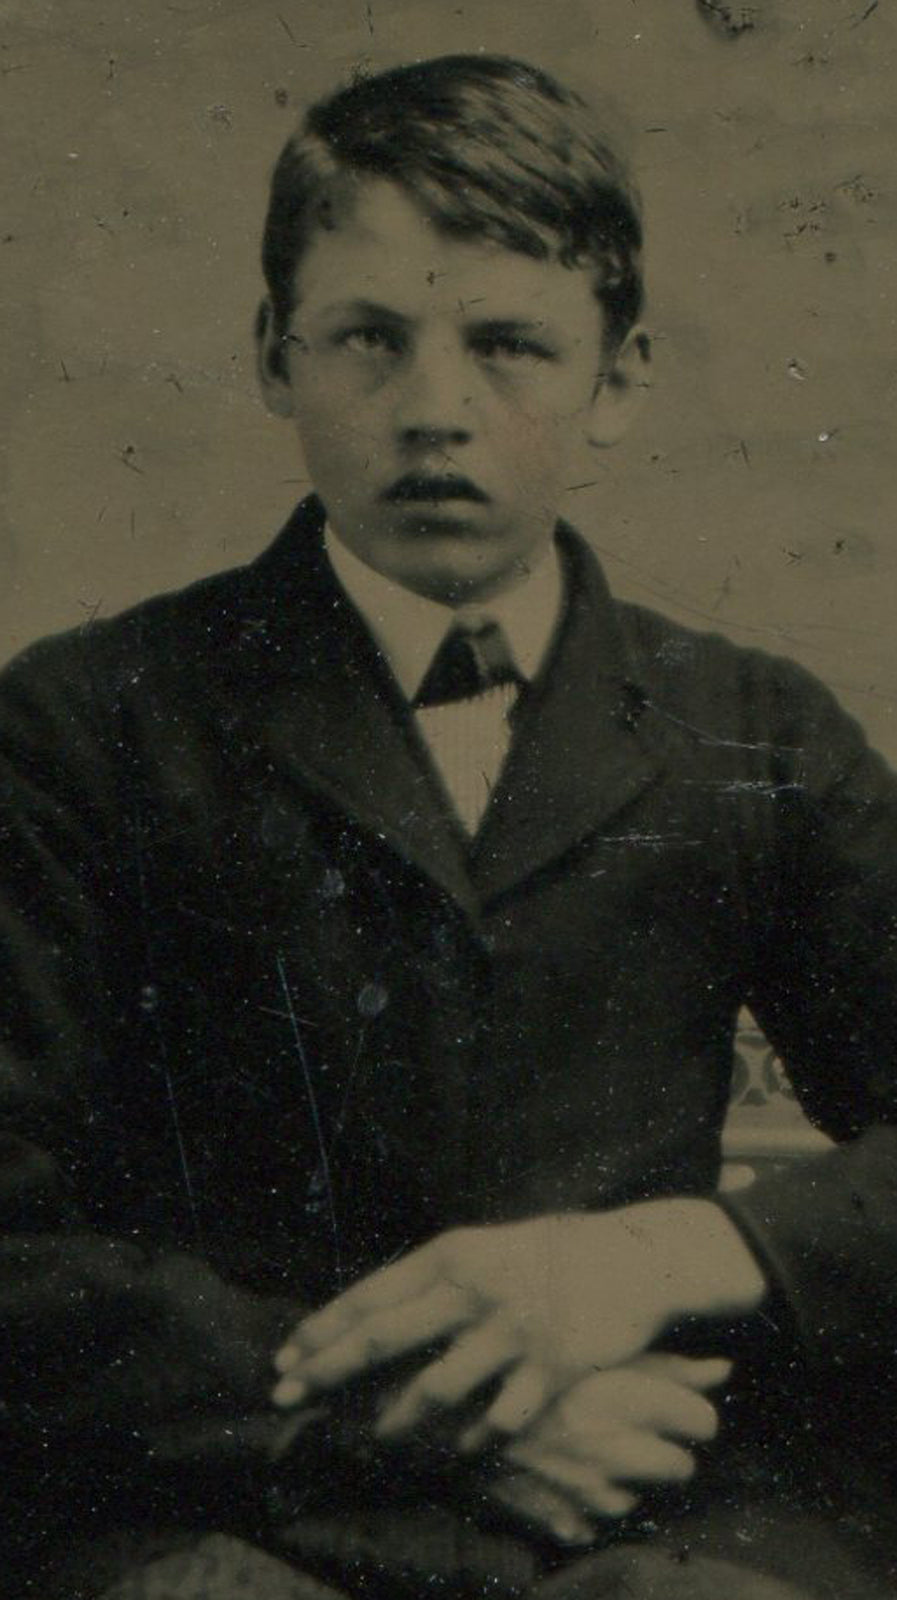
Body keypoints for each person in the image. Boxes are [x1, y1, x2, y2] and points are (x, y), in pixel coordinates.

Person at [1, 52, 896, 1600]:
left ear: (616, 382)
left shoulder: (751, 730)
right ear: (275, 359)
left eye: (507, 345)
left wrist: (646, 1264)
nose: (433, 412)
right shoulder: (83, 722)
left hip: (640, 1488)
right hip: (231, 1488)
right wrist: (394, 1409)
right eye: (366, 338)